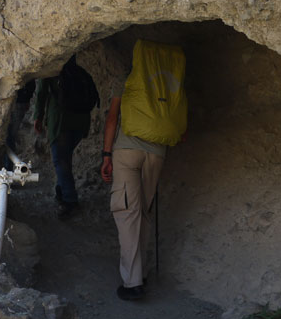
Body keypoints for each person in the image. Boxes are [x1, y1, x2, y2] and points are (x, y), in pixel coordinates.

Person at [101, 39, 186, 301]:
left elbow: (113, 118)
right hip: (157, 153)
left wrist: (106, 154)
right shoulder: (163, 80)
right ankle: (142, 272)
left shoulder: (127, 80)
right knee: (144, 213)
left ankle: (132, 283)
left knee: (127, 213)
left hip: (127, 151)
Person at [34, 56, 99, 219]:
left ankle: (70, 200)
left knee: (59, 160)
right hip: (81, 123)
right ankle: (61, 190)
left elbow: (41, 93)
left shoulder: (51, 73)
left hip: (61, 123)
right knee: (65, 158)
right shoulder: (80, 73)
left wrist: (38, 117)